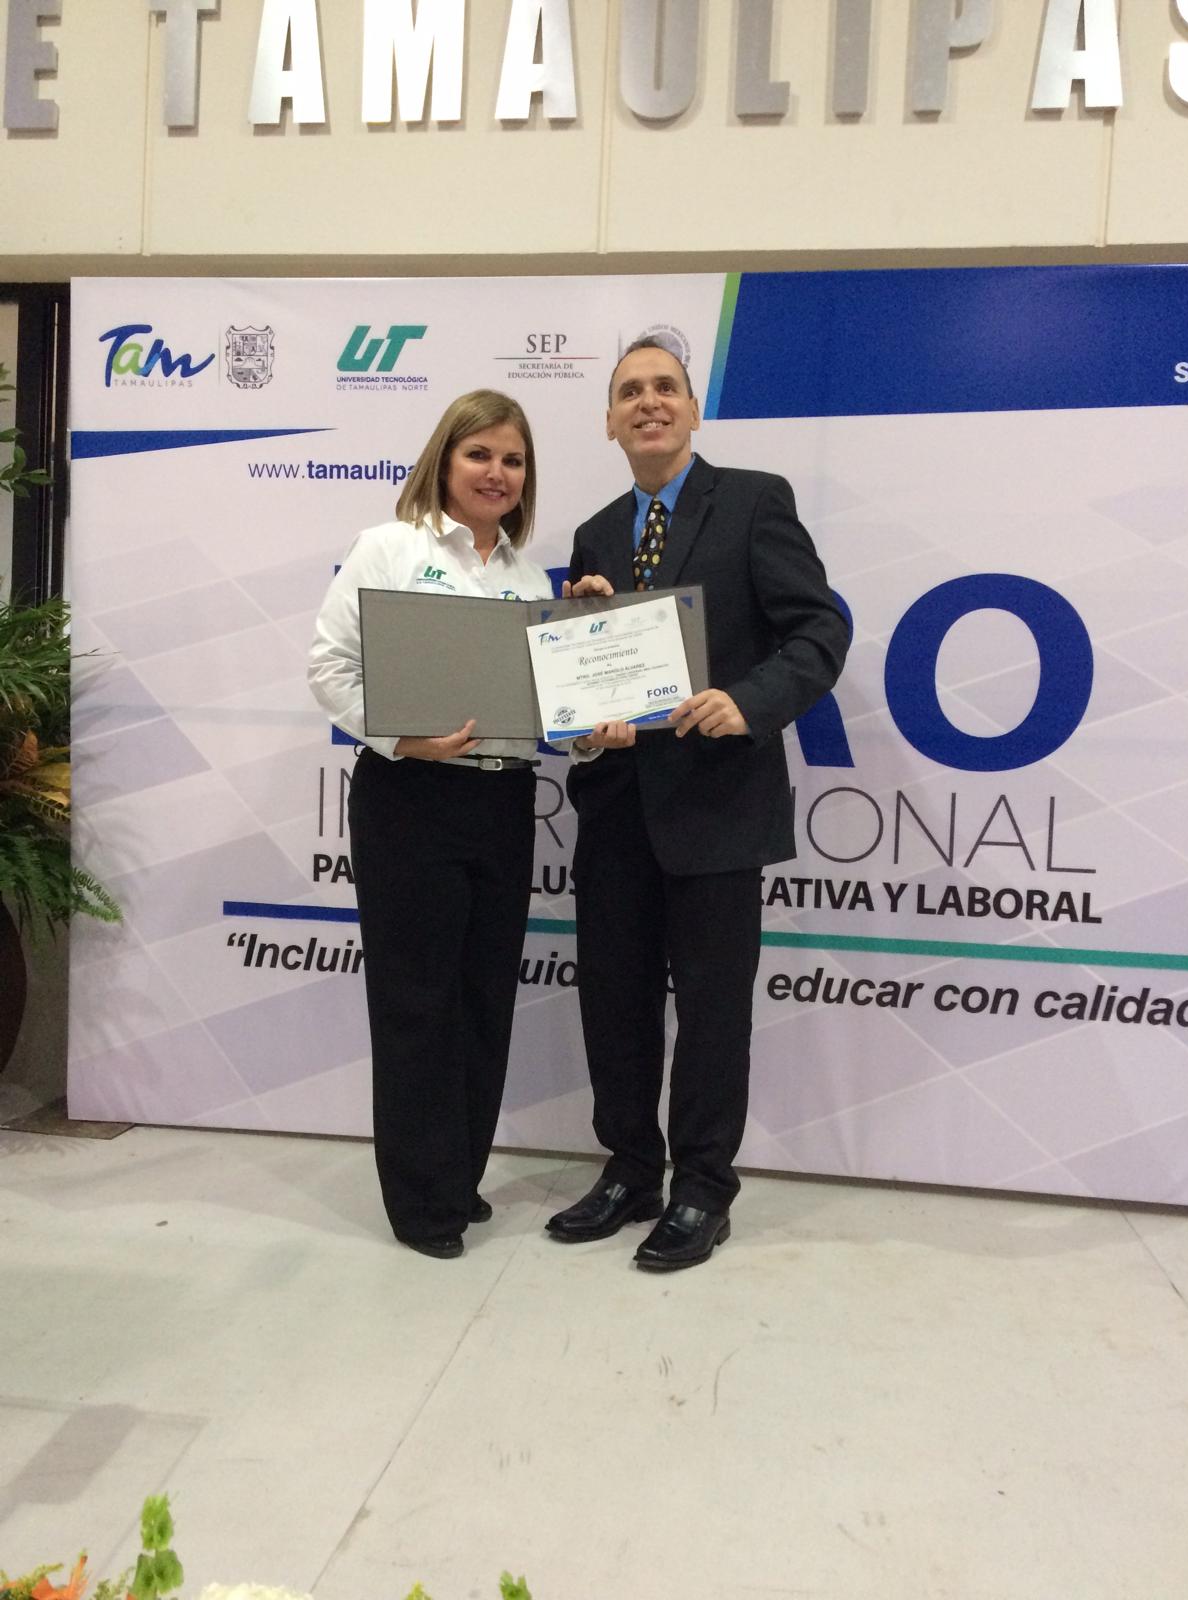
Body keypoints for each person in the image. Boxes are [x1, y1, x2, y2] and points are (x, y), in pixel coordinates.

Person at [545, 338, 850, 1271]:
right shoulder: (596, 534)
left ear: (691, 410)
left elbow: (819, 629)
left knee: (714, 1012)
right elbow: (598, 677)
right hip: (616, 811)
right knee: (614, 1003)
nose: (647, 403)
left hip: (717, 809)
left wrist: (747, 702)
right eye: (629, 392)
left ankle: (702, 1189)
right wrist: (586, 686)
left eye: (663, 388)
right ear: (608, 420)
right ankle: (631, 1168)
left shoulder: (755, 501)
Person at [308, 391, 551, 1260]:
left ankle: (459, 1175)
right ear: (444, 460)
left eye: (513, 460)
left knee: (485, 999)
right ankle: (421, 1205)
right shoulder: (390, 547)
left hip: (503, 802)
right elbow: (327, 665)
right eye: (480, 454)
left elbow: (541, 701)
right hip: (411, 797)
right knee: (419, 1003)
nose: (497, 472)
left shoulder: (529, 576)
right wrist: (399, 734)